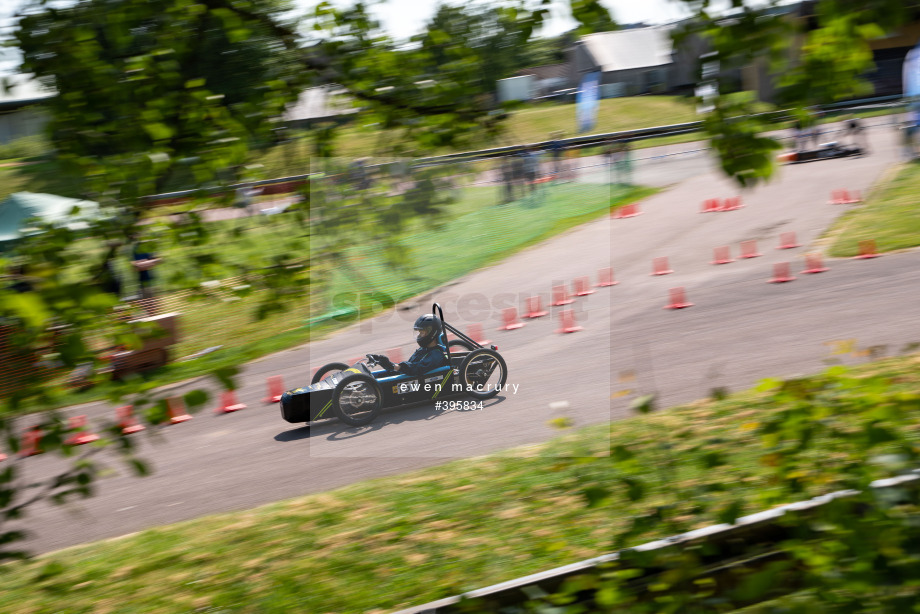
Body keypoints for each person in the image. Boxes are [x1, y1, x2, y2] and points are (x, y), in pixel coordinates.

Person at [371, 314, 448, 376]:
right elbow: (408, 368)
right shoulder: (423, 350)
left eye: (422, 333)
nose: (419, 336)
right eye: (419, 332)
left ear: (431, 333)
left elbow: (416, 370)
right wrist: (386, 364)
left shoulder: (436, 354)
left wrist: (394, 366)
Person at [131, 234, 161, 315]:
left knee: (154, 309)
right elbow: (137, 266)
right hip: (142, 284)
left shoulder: (145, 248)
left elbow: (157, 260)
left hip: (151, 282)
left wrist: (152, 261)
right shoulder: (136, 249)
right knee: (148, 310)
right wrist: (151, 262)